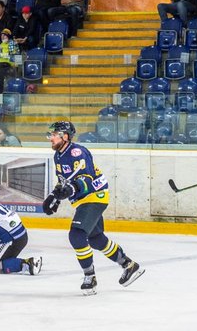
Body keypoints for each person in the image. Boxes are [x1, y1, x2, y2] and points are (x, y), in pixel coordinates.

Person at [43, 121, 143, 294]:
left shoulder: (78, 152)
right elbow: (64, 181)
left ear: (65, 136)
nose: (50, 138)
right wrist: (55, 196)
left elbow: (87, 179)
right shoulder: (58, 155)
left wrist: (72, 189)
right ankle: (129, 265)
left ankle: (90, 277)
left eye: (53, 134)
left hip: (95, 196)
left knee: (77, 235)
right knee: (96, 239)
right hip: (84, 199)